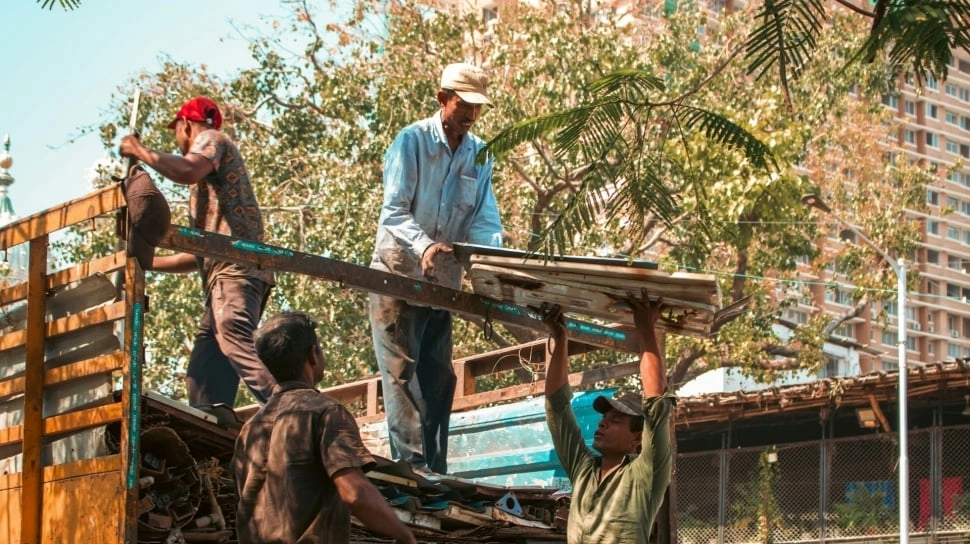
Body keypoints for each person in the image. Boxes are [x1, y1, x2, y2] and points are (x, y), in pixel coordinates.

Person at [369, 62, 503, 475]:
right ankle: (412, 468)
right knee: (399, 374)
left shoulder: (480, 154)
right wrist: (424, 245)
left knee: (439, 378)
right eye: (463, 105)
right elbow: (393, 211)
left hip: (442, 283)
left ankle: (436, 471)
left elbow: (485, 221)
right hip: (398, 275)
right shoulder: (411, 141)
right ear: (442, 98)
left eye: (476, 108)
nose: (470, 115)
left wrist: (488, 264)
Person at [119, 96, 276, 407]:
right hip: (225, 273)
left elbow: (187, 170)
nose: (176, 138)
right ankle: (213, 432)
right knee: (203, 374)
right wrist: (150, 263)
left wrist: (139, 151)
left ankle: (292, 407)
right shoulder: (207, 185)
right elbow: (199, 255)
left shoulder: (211, 139)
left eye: (176, 130)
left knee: (234, 340)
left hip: (236, 270)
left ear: (186, 124)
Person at [233, 312, 416, 544]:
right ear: (313, 354)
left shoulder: (250, 428)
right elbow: (355, 493)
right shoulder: (326, 412)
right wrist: (405, 536)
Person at [541, 298, 675, 544]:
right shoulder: (583, 469)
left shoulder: (645, 475)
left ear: (638, 438)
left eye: (615, 420)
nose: (602, 423)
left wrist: (644, 326)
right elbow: (556, 406)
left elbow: (657, 404)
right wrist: (561, 337)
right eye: (604, 417)